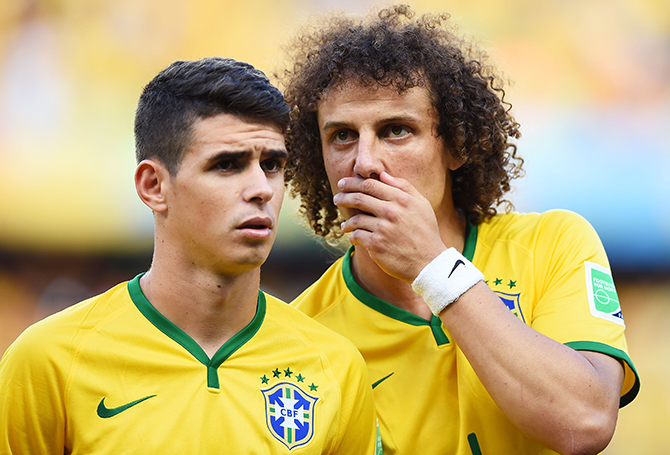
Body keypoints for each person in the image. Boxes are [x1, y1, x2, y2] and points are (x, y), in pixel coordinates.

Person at [280, 5, 640, 455]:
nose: (364, 161)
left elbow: (584, 424)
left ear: (456, 146)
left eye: (395, 130)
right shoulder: (300, 334)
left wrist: (433, 267)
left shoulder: (554, 244)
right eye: (342, 136)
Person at [0, 57, 379, 454]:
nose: (261, 189)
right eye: (227, 165)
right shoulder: (49, 362)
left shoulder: (334, 367)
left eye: (271, 165)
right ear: (154, 186)